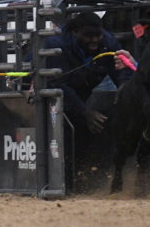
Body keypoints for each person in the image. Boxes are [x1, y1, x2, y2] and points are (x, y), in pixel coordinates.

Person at [45, 12, 134, 183]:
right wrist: (85, 112)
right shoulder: (56, 45)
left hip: (82, 92)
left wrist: (123, 89)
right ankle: (63, 179)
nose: (94, 40)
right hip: (53, 96)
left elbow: (120, 70)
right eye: (88, 36)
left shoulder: (108, 44)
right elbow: (58, 84)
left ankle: (87, 176)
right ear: (75, 32)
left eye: (97, 35)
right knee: (64, 130)